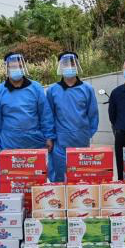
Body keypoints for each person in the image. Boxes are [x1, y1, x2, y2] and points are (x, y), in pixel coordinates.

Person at [0, 53, 56, 187]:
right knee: (12, 182)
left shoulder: (36, 88)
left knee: (35, 182)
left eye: (18, 66)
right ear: (6, 68)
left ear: (23, 66)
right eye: (12, 66)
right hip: (9, 143)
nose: (16, 69)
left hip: (34, 142)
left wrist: (49, 136)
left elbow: (45, 114)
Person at [46, 52, 99, 182]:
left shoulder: (87, 89)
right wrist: (49, 137)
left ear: (77, 65)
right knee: (60, 178)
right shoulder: (52, 90)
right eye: (65, 64)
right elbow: (48, 116)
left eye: (72, 63)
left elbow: (93, 114)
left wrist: (86, 134)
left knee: (81, 177)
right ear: (60, 66)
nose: (69, 67)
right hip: (60, 142)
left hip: (81, 141)